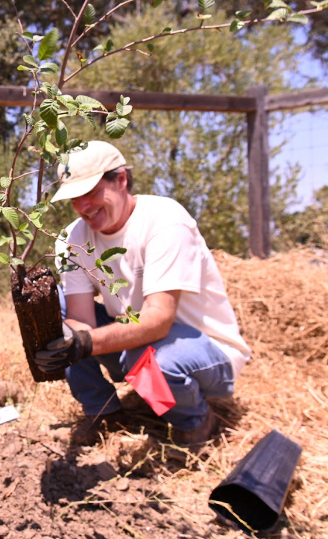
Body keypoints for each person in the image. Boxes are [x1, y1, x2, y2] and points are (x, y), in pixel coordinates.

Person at [35, 141, 250, 447]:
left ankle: (196, 424)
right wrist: (67, 341)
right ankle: (103, 413)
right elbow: (81, 318)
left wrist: (83, 343)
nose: (84, 206)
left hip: (206, 353)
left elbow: (159, 320)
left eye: (91, 191)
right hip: (135, 348)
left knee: (148, 360)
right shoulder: (72, 239)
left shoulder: (165, 220)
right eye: (74, 198)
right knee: (51, 307)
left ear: (121, 179)